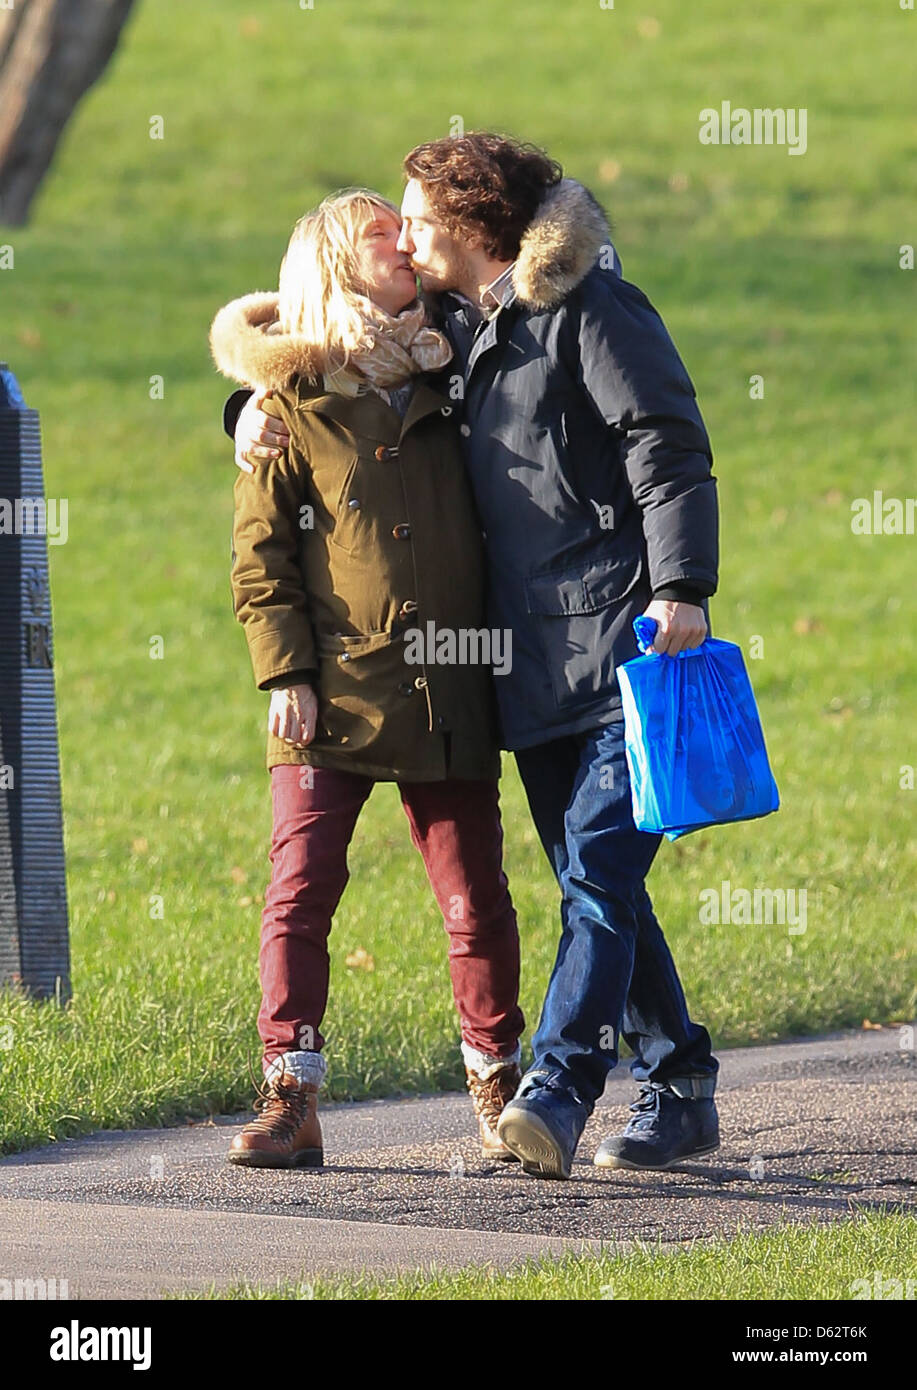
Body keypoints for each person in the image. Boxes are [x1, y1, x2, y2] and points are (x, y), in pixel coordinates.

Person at [230, 135, 722, 1182]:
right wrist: (245, 410)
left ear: (467, 227)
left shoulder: (588, 307)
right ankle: (678, 1079)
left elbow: (666, 444)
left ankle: (550, 1092)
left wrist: (679, 589)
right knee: (597, 884)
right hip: (522, 669)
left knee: (592, 876)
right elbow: (313, 344)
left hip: (618, 645)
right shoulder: (464, 326)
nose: (406, 241)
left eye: (416, 221)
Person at [209, 188, 524, 1169]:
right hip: (327, 693)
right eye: (381, 237)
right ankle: (290, 1096)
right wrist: (283, 674)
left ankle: (500, 1090)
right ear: (339, 267)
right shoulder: (286, 409)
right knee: (298, 891)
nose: (404, 245)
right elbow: (260, 561)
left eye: (405, 231)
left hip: (449, 685)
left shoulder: (465, 369)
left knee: (474, 897)